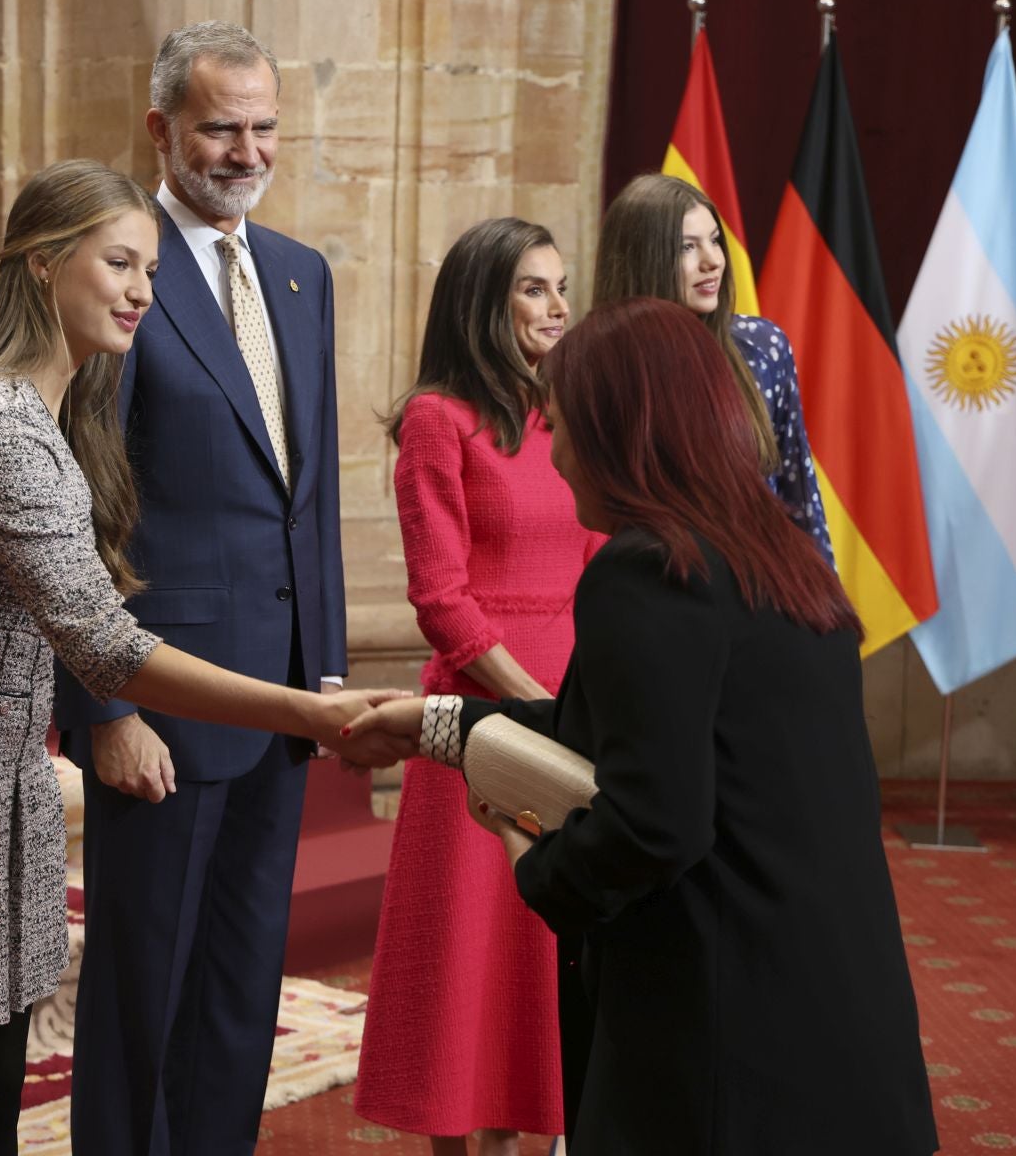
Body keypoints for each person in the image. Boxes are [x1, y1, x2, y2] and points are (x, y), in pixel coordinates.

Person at [0, 159, 406, 1156]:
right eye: (118, 262)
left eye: (149, 267)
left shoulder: (56, 415)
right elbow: (106, 643)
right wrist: (308, 711)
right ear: (39, 264)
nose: (142, 290)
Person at [348, 298, 938, 1154]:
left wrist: (534, 864)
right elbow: (614, 726)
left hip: (720, 1036)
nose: (561, 457)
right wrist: (429, 726)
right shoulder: (775, 556)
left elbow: (655, 822)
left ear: (622, 430)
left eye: (568, 425)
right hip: (834, 1007)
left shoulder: (646, 571)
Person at [51, 22, 349, 1155]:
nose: (245, 148)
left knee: (237, 991)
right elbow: (85, 510)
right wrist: (105, 709)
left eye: (264, 125)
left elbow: (304, 494)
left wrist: (321, 675)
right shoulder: (121, 270)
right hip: (163, 706)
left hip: (276, 704)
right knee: (142, 994)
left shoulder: (299, 272)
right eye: (220, 125)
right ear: (161, 127)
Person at [355, 218, 596, 1155]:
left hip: (575, 705)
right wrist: (535, 710)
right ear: (481, 304)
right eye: (533, 289)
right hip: (483, 721)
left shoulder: (566, 413)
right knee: (470, 965)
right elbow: (442, 600)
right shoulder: (436, 418)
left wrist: (593, 705)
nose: (559, 306)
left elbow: (602, 563)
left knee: (548, 957)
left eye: (561, 286)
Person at [592, 173, 833, 566]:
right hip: (651, 592)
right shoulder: (595, 364)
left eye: (715, 240)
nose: (713, 261)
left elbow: (798, 493)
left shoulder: (761, 347)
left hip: (759, 592)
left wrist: (826, 608)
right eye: (688, 246)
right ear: (643, 256)